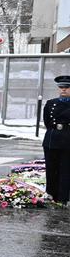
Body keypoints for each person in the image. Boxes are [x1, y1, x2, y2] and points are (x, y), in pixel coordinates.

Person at [42, 75, 70, 203]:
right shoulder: (51, 103)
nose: (63, 90)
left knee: (65, 169)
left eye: (67, 87)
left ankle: (63, 197)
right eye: (61, 87)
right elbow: (47, 122)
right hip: (52, 140)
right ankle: (51, 193)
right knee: (51, 168)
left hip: (67, 140)